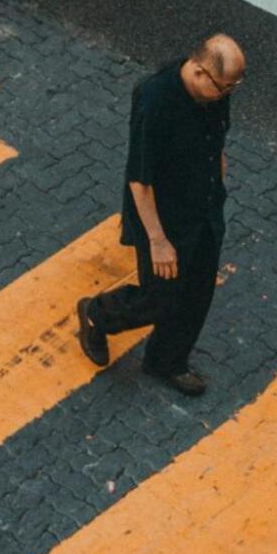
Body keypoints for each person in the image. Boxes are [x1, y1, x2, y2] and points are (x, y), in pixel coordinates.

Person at [74, 34, 244, 396]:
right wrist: (158, 241)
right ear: (199, 72)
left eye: (233, 87)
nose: (228, 94)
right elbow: (140, 181)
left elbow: (218, 144)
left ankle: (166, 361)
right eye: (224, 87)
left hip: (204, 210)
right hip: (164, 220)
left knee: (197, 293)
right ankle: (98, 314)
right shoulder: (155, 101)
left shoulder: (215, 94)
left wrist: (217, 192)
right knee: (159, 297)